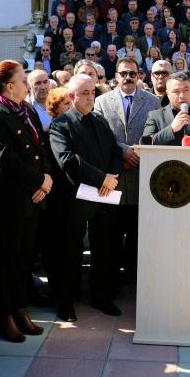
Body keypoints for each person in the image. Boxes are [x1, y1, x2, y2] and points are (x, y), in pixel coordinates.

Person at [0, 61, 51, 339]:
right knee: (7, 260)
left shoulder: (27, 108)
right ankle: (5, 315)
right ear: (9, 85)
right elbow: (5, 158)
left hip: (32, 197)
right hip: (9, 199)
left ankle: (21, 309)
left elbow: (40, 147)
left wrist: (46, 179)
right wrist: (39, 180)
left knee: (24, 259)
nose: (27, 84)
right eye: (23, 80)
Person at [49, 74, 123, 321]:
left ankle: (100, 297)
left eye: (92, 92)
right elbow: (68, 161)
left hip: (104, 197)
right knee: (69, 251)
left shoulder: (100, 120)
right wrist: (101, 179)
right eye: (84, 93)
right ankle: (65, 302)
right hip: (74, 200)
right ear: (71, 96)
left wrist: (112, 175)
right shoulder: (60, 125)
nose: (90, 96)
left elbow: (114, 150)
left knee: (104, 249)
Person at [94, 58, 161, 288]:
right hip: (114, 178)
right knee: (111, 237)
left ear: (140, 75)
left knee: (137, 237)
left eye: (133, 73)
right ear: (116, 75)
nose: (128, 77)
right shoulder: (102, 101)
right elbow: (102, 134)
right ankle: (110, 284)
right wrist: (124, 151)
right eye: (124, 73)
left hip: (142, 177)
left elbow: (156, 134)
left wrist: (139, 152)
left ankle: (135, 285)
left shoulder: (152, 102)